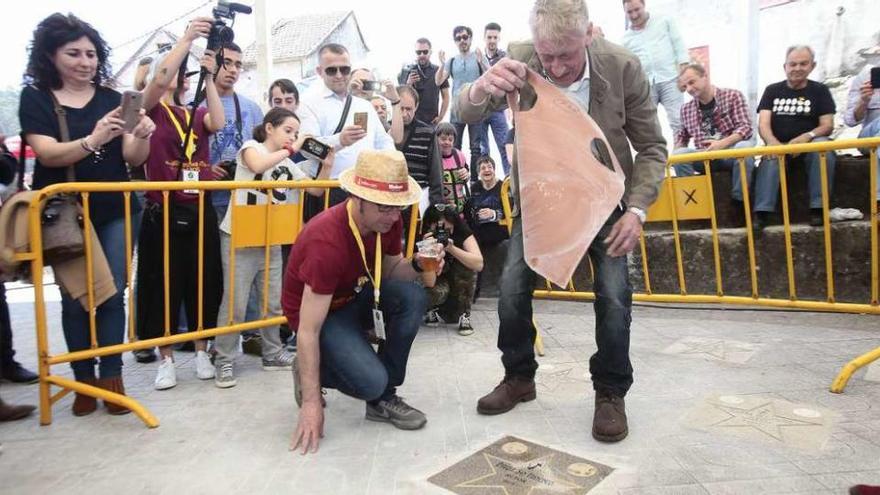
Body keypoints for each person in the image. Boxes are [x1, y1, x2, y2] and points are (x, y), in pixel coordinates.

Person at [456, 0, 667, 442]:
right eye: (546, 55)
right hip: (542, 198)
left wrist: (637, 209)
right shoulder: (519, 55)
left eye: (565, 55)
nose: (554, 66)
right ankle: (518, 377)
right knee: (511, 288)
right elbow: (467, 113)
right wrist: (480, 89)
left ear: (588, 35)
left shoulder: (623, 66)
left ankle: (610, 391)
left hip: (605, 199)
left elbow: (651, 147)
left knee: (613, 295)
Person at [19, 13, 155, 416]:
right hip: (64, 214)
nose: (85, 61)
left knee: (113, 293)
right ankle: (83, 380)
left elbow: (133, 157)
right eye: (73, 53)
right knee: (76, 298)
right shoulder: (36, 97)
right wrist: (93, 139)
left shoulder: (115, 98)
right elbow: (46, 153)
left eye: (91, 54)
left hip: (115, 208)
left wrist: (142, 135)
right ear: (50, 55)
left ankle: (112, 376)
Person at [283, 149, 437, 455]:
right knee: (368, 381)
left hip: (356, 295)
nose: (395, 217)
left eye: (399, 208)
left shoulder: (388, 220)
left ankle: (382, 398)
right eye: (385, 208)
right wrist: (312, 403)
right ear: (358, 198)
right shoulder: (325, 241)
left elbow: (393, 270)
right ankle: (314, 369)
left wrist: (418, 265)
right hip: (320, 315)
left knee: (414, 296)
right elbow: (308, 329)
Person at [213, 108, 333, 388]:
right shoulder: (250, 148)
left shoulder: (287, 163)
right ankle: (224, 359)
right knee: (235, 302)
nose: (292, 137)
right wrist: (294, 148)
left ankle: (272, 352)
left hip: (271, 237)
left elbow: (315, 190)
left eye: (295, 133)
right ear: (269, 128)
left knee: (271, 300)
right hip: (241, 236)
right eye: (287, 131)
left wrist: (328, 162)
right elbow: (256, 165)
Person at [136, 18, 226, 391]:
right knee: (162, 283)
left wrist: (210, 78)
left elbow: (218, 122)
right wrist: (188, 38)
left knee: (201, 279)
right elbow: (159, 80)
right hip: (163, 208)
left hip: (198, 206)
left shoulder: (196, 112)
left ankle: (202, 349)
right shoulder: (151, 108)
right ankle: (166, 357)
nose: (174, 76)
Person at [298, 43, 395, 208]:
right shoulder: (308, 104)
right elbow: (307, 147)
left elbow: (382, 141)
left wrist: (393, 163)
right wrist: (340, 140)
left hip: (364, 188)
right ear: (319, 71)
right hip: (330, 188)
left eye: (344, 69)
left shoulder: (364, 105)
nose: (339, 75)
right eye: (331, 70)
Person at [754, 45, 837, 230]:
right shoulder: (772, 90)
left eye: (803, 64)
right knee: (770, 156)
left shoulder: (820, 91)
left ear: (812, 66)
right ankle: (762, 213)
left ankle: (818, 208)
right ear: (785, 66)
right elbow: (763, 124)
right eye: (793, 64)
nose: (797, 68)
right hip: (780, 144)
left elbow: (827, 125)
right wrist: (773, 143)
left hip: (809, 144)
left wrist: (807, 136)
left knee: (822, 148)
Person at [672, 63, 758, 208]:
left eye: (692, 82)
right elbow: (681, 137)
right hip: (704, 156)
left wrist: (721, 144)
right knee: (679, 154)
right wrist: (674, 156)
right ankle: (695, 205)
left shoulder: (732, 95)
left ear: (705, 76)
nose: (689, 89)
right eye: (685, 86)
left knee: (745, 148)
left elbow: (745, 128)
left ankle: (739, 204)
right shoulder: (686, 109)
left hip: (730, 154)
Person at [622, 0, 689, 135]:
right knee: (648, 127)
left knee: (678, 121)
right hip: (645, 86)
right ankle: (657, 156)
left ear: (644, 5)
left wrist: (684, 73)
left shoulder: (664, 21)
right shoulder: (625, 38)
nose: (634, 15)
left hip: (670, 79)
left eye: (637, 9)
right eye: (629, 12)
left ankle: (681, 152)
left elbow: (679, 45)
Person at [436, 26, 489, 180]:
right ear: (455, 41)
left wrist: (481, 62)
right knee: (453, 146)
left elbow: (490, 75)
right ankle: (454, 178)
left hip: (475, 109)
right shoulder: (452, 61)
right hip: (456, 111)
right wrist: (441, 64)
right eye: (458, 38)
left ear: (470, 38)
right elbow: (439, 80)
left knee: (475, 148)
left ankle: (473, 182)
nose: (462, 40)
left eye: (465, 37)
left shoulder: (479, 56)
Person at [421, 203, 484, 335]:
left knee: (467, 264)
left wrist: (451, 248)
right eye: (438, 228)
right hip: (439, 283)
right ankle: (431, 310)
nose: (442, 232)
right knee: (433, 293)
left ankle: (464, 314)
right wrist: (429, 250)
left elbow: (478, 264)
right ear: (429, 226)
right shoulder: (424, 237)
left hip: (457, 281)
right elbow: (429, 283)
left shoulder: (461, 231)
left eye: (447, 228)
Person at [395, 85, 443, 213]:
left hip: (419, 201)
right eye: (401, 109)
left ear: (416, 107)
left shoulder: (428, 133)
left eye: (409, 109)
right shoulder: (384, 133)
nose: (405, 114)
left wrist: (436, 207)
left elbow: (436, 172)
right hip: (390, 200)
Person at [844, 64, 880, 203]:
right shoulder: (866, 74)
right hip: (869, 137)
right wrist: (863, 101)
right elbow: (850, 120)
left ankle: (878, 202)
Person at [480, 22, 512, 175]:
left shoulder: (505, 57)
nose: (492, 40)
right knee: (482, 150)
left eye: (495, 37)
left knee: (505, 146)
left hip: (498, 110)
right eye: (489, 37)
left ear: (499, 38)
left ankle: (509, 182)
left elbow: (503, 80)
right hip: (480, 110)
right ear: (484, 38)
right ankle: (484, 184)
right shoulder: (476, 57)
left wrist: (511, 109)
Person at [398, 38, 450, 126]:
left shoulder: (438, 70)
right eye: (418, 52)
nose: (422, 55)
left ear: (430, 52)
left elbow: (446, 96)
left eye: (425, 52)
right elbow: (400, 96)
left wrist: (441, 116)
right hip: (411, 120)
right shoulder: (407, 70)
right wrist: (409, 83)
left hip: (432, 121)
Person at [466, 155, 509, 249]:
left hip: (500, 235)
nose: (487, 170)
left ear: (494, 170)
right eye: (483, 168)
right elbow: (468, 212)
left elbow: (510, 213)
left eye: (490, 167)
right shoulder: (474, 188)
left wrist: (494, 214)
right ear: (478, 173)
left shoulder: (504, 187)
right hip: (479, 235)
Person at [436, 122, 471, 213]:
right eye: (443, 139)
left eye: (450, 139)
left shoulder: (459, 155)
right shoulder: (433, 158)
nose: (447, 142)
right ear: (436, 139)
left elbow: (466, 172)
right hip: (442, 211)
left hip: (460, 210)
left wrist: (466, 174)